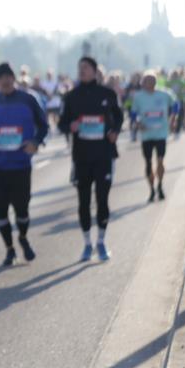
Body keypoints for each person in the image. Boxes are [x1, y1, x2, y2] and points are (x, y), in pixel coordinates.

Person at [0, 63, 48, 266]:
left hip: (21, 165)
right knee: (1, 211)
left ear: (14, 78)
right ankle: (9, 249)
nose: (6, 81)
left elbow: (43, 125)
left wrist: (35, 142)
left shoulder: (28, 100)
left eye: (9, 77)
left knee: (22, 210)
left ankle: (23, 237)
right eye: (1, 78)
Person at [59, 56, 124, 262]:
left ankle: (101, 242)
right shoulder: (71, 96)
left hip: (104, 154)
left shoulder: (107, 94)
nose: (82, 70)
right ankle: (87, 244)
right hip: (82, 156)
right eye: (80, 67)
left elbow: (119, 116)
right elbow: (61, 123)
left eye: (86, 67)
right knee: (83, 201)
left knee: (102, 199)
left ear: (95, 71)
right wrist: (69, 126)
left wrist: (115, 131)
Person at [130, 72, 178, 202]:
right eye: (146, 81)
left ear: (156, 82)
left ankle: (160, 186)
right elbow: (133, 113)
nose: (149, 83)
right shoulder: (138, 97)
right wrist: (138, 123)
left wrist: (173, 118)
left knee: (160, 160)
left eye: (152, 81)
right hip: (146, 135)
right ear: (143, 83)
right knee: (148, 162)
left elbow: (175, 104)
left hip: (161, 133)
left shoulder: (165, 94)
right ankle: (151, 189)